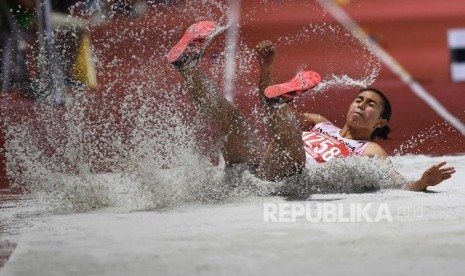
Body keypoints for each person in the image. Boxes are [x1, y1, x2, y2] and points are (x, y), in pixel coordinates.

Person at [166, 21, 456, 193]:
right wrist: (266, 69)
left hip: (285, 179)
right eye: (359, 99)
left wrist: (420, 182)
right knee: (233, 120)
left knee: (291, 140)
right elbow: (267, 112)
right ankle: (189, 68)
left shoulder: (369, 150)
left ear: (380, 123)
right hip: (255, 166)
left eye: (370, 106)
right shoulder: (320, 122)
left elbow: (393, 181)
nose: (361, 105)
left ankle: (281, 102)